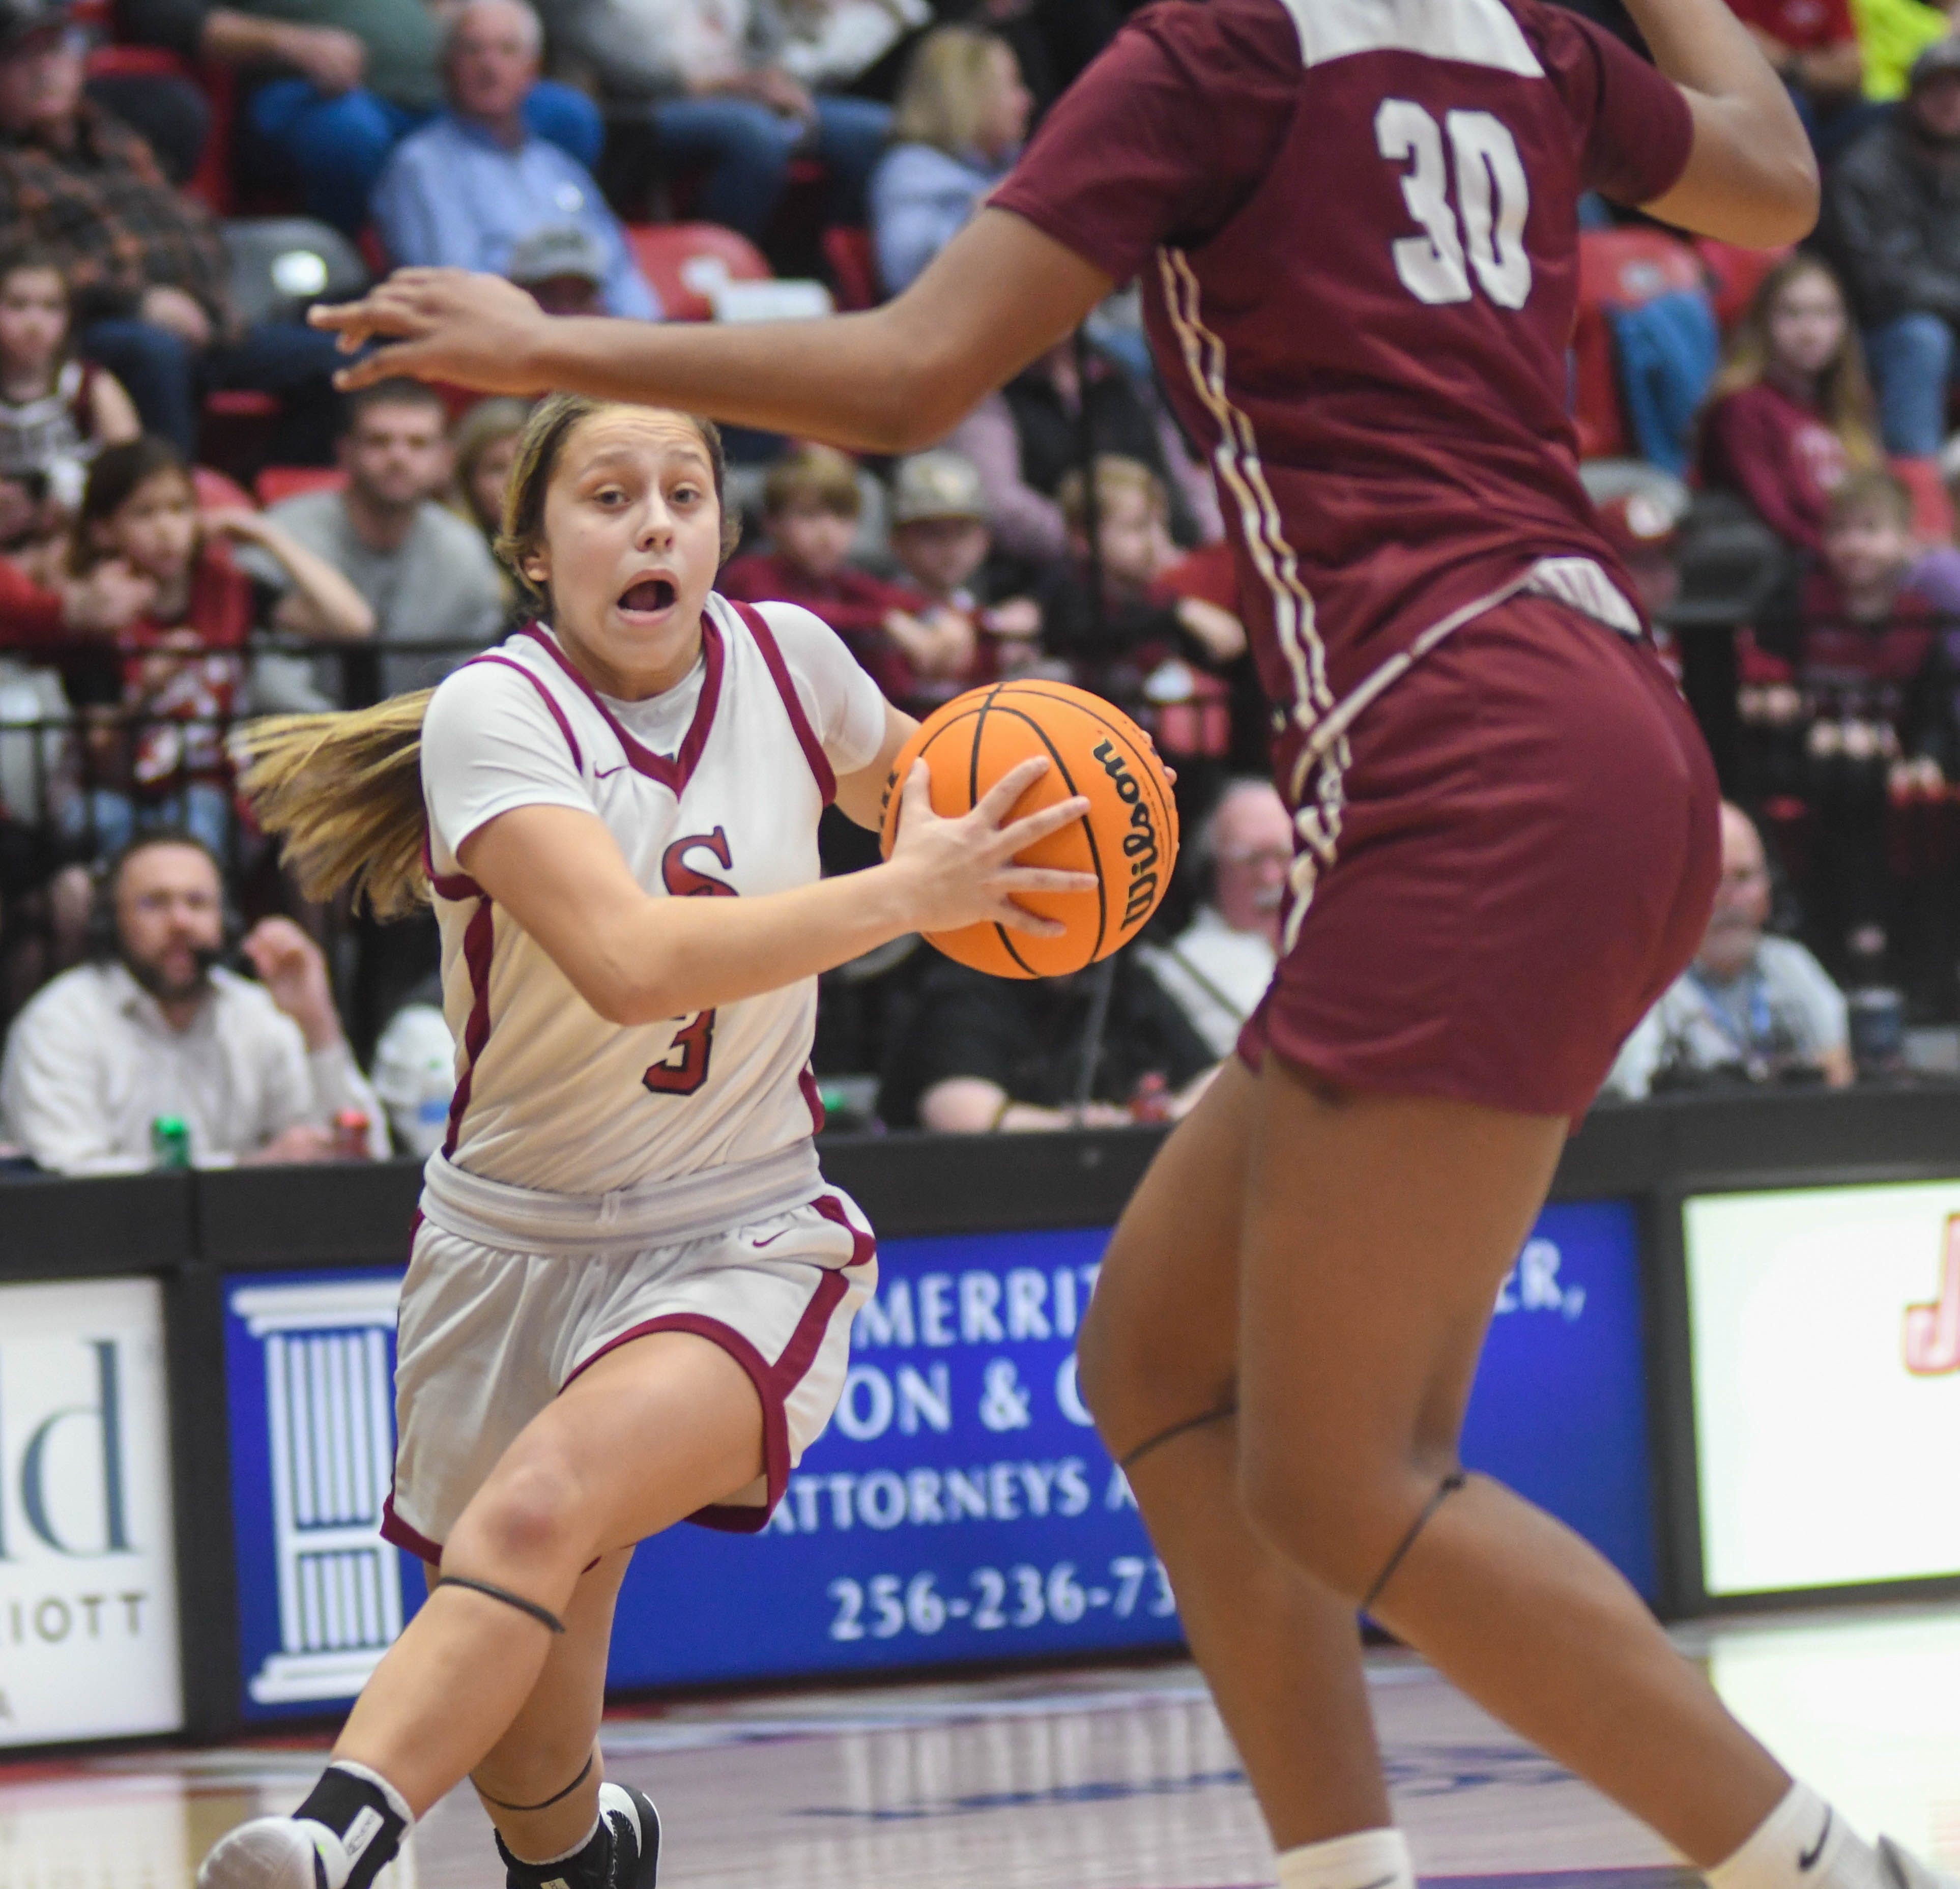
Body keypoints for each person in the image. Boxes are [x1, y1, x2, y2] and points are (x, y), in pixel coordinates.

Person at [315, 1, 1958, 1886]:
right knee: (1160, 1365)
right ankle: (1340, 1868)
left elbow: (917, 373)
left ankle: (1830, 1870)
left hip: (1465, 741)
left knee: (1345, 1471)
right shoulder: (1515, 39)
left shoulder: (1224, 49)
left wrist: (543, 340)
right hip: (1612, 715)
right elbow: (1773, 178)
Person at [194, 392, 1095, 1889]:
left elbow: (954, 816)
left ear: (725, 530)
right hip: (507, 1249)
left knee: (540, 1503)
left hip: (737, 1223)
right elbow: (630, 960)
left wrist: (1067, 838)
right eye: (609, 496)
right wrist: (905, 894)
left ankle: (336, 1842)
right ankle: (589, 1854)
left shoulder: (798, 665)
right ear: (534, 550)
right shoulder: (500, 712)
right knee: (536, 1787)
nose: (655, 520)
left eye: (685, 490)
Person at [0, 0, 344, 457]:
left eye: (57, 52)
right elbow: (19, 271)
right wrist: (136, 302)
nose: (46, 71)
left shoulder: (118, 136)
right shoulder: (9, 165)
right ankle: (164, 502)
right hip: (99, 325)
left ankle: (256, 487)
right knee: (152, 352)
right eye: (25, 57)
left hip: (210, 319)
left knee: (341, 363)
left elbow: (188, 216)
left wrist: (209, 302)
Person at [0, 828, 387, 1170]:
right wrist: (247, 1169)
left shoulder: (258, 1015)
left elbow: (364, 1160)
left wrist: (316, 1022)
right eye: (154, 903)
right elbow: (69, 1183)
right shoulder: (60, 1025)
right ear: (110, 921)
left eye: (198, 902)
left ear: (227, 920)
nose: (181, 922)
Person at [67, 435, 373, 856]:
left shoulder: (228, 589)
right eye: (144, 513)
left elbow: (352, 622)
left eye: (179, 509)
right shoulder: (92, 612)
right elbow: (100, 758)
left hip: (215, 790)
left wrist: (265, 535)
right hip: (113, 795)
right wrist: (145, 696)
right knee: (105, 821)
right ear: (103, 530)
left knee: (204, 813)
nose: (166, 529)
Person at [371, 0, 660, 322]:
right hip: (505, 351)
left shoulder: (558, 165)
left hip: (596, 345)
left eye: (507, 50)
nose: (490, 66)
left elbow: (622, 274)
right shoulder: (422, 167)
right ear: (447, 66)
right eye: (473, 50)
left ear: (533, 69)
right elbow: (454, 299)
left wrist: (641, 341)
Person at [245, 380, 505, 709]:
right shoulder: (285, 533)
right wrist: (348, 743)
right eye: (379, 442)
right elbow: (267, 675)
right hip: (300, 743)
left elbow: (471, 678)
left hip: (419, 745)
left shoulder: (464, 551)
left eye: (418, 444)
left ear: (445, 459)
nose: (398, 457)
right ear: (344, 451)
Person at [561, 0, 892, 244]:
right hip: (647, 102)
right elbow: (591, 44)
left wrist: (773, 79)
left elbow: (768, 41)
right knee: (754, 136)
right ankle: (723, 264)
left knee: (875, 130)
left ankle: (831, 268)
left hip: (742, 92)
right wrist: (698, 85)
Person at [1603, 800, 1853, 1095]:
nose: (1730, 899)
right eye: (1713, 881)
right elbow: (1636, 1097)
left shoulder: (1792, 965)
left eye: (1745, 878)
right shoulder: (1646, 986)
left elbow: (1840, 1075)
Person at [720, 442, 973, 708]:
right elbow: (797, 617)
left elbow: (900, 600)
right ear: (772, 523)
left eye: (842, 516)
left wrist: (946, 616)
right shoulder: (750, 574)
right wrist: (886, 622)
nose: (827, 533)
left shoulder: (840, 580)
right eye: (810, 515)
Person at [884, 949, 1219, 1131]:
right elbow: (961, 1116)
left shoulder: (1124, 978)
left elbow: (1220, 1079)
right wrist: (1079, 1126)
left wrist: (1160, 1114)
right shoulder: (964, 985)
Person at [1823, 37, 1960, 457]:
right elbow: (1884, 284)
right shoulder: (1867, 167)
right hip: (1874, 327)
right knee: (1922, 341)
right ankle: (1914, 482)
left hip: (1949, 314)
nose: (1952, 100)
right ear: (1913, 95)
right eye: (1939, 88)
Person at [1697, 252, 1883, 556]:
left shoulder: (1847, 405)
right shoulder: (1741, 409)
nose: (1810, 332)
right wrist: (1850, 555)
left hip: (1856, 566)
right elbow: (1775, 517)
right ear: (1762, 323)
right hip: (1799, 575)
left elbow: (1878, 504)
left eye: (1825, 314)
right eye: (1792, 314)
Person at [869, 25, 1032, 295]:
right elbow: (903, 272)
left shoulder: (1012, 163)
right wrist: (983, 221)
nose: (1025, 101)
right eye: (1013, 85)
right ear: (968, 93)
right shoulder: (912, 169)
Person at [1140, 777, 1293, 1060]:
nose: (1272, 878)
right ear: (1213, 869)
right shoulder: (1178, 967)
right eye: (1251, 860)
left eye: (1284, 855)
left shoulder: (1333, 942)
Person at [0, 246, 138, 514]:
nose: (34, 322)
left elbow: (133, 471)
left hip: (81, 529)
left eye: (51, 307)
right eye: (17, 305)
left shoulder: (90, 385)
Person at [886, 446, 1043, 665]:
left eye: (962, 533)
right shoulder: (883, 612)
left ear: (984, 539)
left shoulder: (981, 615)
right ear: (897, 541)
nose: (950, 547)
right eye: (933, 533)